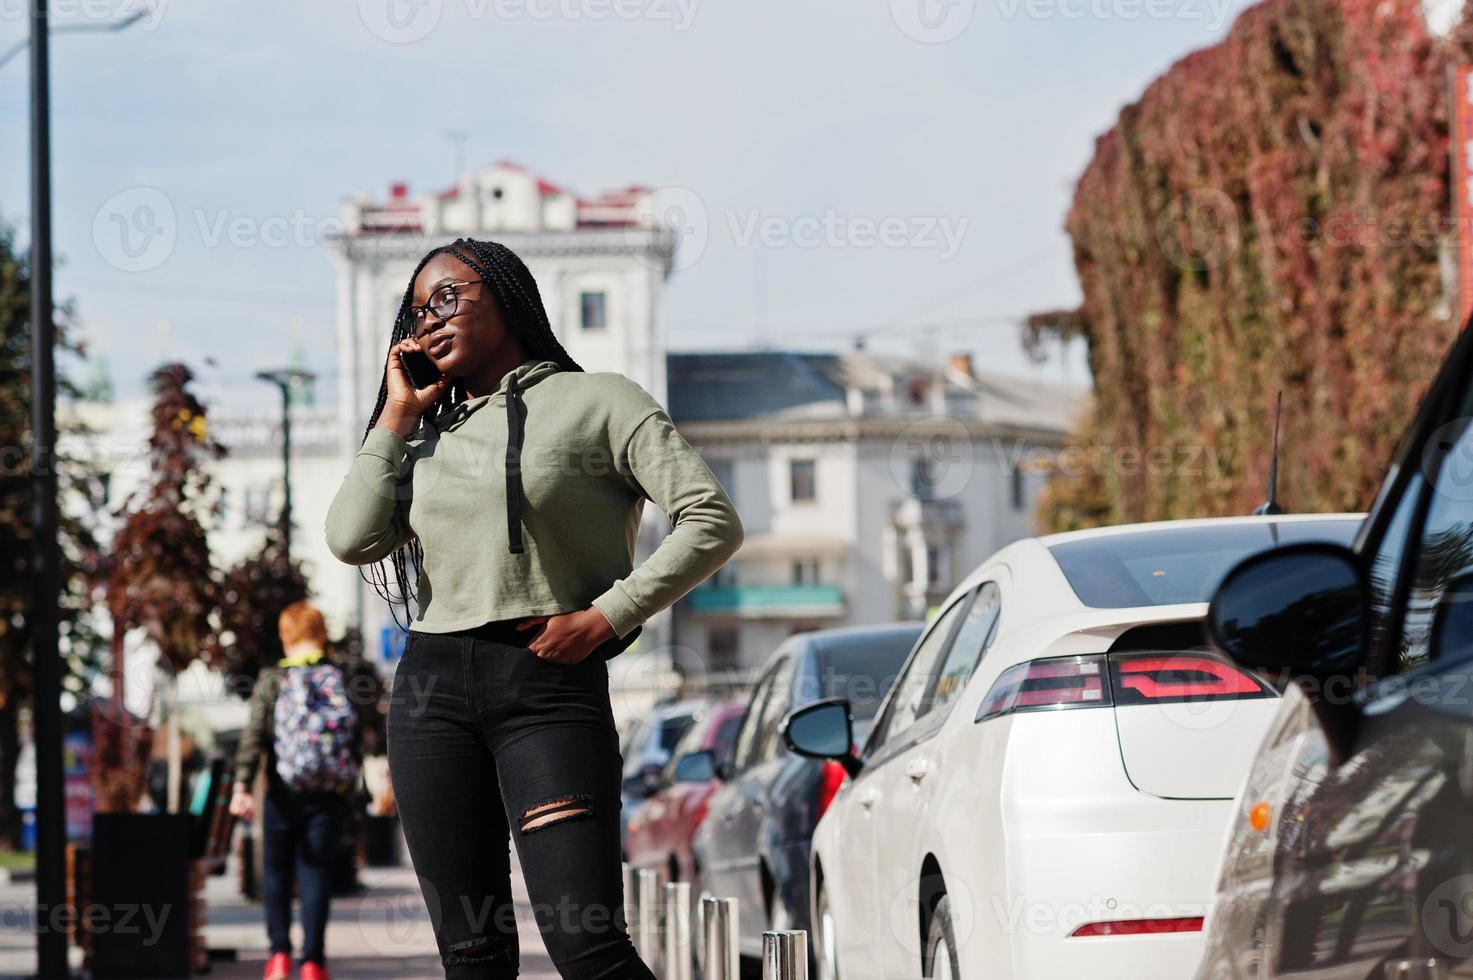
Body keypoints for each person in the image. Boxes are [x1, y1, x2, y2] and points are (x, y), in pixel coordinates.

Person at [324, 237, 743, 979]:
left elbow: (710, 519)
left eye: (448, 297)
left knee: (587, 948)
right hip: (429, 696)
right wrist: (394, 417)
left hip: (547, 686)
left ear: (506, 295)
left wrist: (608, 616)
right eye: (417, 311)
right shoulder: (424, 435)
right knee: (472, 955)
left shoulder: (601, 401)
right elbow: (350, 538)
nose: (429, 319)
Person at [230, 601, 365, 980]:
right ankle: (313, 963)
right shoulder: (341, 675)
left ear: (286, 637)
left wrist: (242, 787)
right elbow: (357, 734)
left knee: (275, 872)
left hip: (282, 793)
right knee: (315, 873)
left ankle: (277, 958)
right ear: (321, 635)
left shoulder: (273, 679)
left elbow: (253, 736)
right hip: (329, 793)